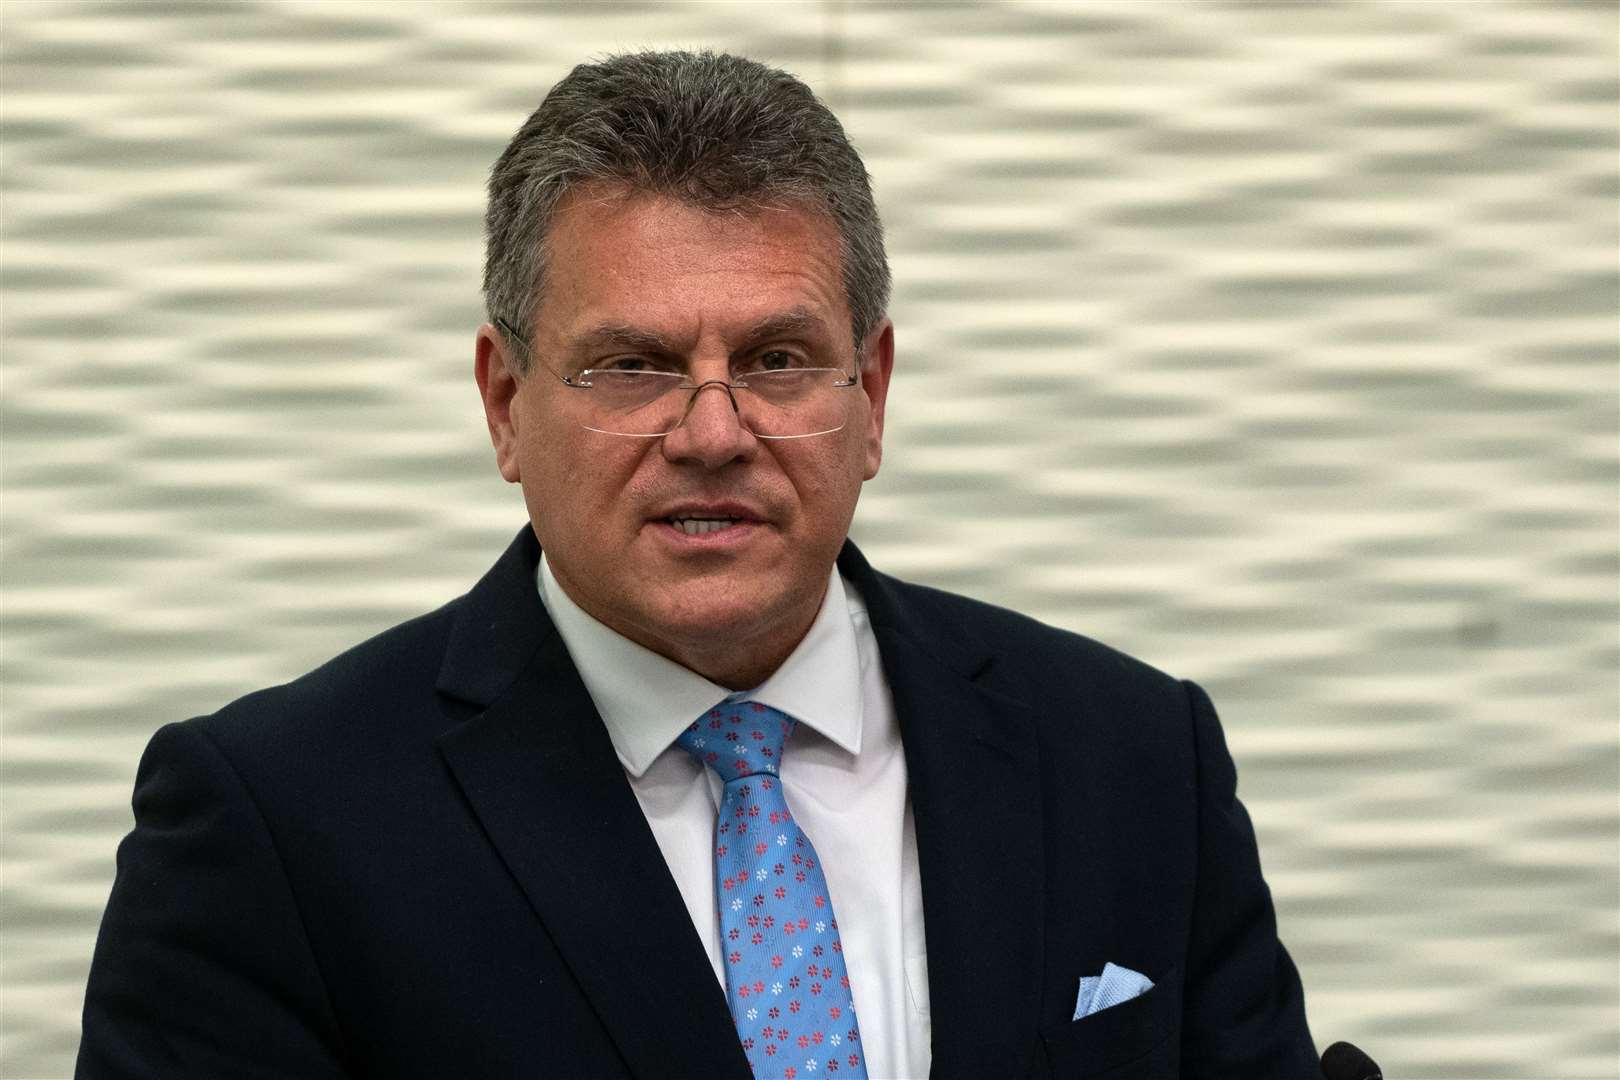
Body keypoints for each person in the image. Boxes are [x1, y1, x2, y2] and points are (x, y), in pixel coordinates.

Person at [77, 50, 1317, 1080]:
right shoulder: (279, 825)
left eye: (777, 359)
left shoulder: (1132, 758)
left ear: (870, 396)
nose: (714, 433)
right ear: (506, 404)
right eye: (634, 365)